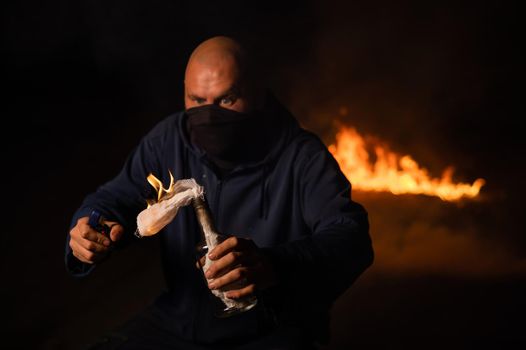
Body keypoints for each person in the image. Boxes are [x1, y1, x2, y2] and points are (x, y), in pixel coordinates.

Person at [66, 36, 374, 349]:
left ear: (257, 93)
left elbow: (351, 238)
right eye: (197, 101)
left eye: (226, 100)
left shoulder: (300, 157)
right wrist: (91, 225)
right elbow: (113, 199)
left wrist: (275, 265)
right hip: (182, 322)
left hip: (272, 329)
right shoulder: (169, 141)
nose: (209, 117)